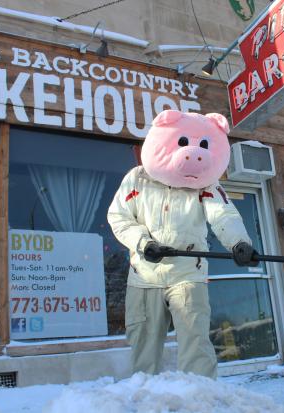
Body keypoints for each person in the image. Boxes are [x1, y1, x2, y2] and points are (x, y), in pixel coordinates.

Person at [107, 109, 257, 379]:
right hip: (143, 276)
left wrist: (239, 243)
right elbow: (119, 218)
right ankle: (145, 400)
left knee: (195, 342)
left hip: (188, 274)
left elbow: (223, 214)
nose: (194, 152)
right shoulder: (137, 179)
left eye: (202, 146)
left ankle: (199, 397)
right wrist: (144, 243)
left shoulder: (206, 184)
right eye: (184, 143)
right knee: (143, 345)